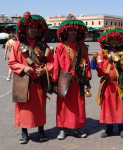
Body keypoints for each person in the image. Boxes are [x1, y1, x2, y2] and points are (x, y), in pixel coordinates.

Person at [8, 12, 54, 144]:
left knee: (40, 108)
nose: (33, 30)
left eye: (35, 28)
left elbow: (51, 62)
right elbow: (12, 62)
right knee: (23, 109)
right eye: (31, 27)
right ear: (25, 29)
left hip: (38, 83)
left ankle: (41, 130)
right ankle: (24, 132)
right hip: (23, 83)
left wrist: (45, 70)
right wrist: (24, 68)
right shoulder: (18, 45)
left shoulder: (43, 45)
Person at [52, 14, 92, 140]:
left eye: (75, 30)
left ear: (77, 32)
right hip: (63, 79)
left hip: (78, 80)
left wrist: (88, 79)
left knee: (79, 105)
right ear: (66, 31)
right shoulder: (60, 47)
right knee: (63, 106)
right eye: (70, 30)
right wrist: (54, 82)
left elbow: (87, 63)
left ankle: (78, 128)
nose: (73, 32)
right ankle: (63, 129)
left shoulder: (82, 47)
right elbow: (56, 65)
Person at [91, 26, 123, 139]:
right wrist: (94, 58)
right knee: (108, 107)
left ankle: (121, 129)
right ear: (107, 40)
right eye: (112, 39)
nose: (114, 41)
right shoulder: (102, 53)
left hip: (121, 84)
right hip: (107, 85)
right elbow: (94, 66)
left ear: (120, 40)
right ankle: (109, 129)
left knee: (121, 106)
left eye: (116, 39)